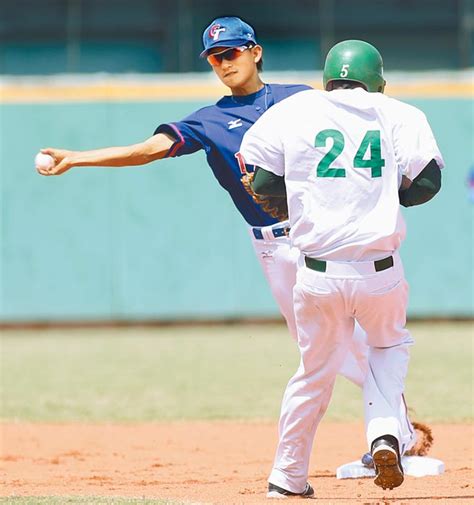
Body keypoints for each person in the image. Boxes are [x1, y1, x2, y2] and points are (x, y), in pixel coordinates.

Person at [36, 17, 421, 485]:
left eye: (232, 52)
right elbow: (147, 149)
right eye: (216, 57)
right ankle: (393, 434)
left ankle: (389, 438)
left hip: (323, 233)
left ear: (255, 52)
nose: (224, 63)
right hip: (276, 248)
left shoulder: (301, 99)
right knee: (338, 352)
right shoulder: (209, 120)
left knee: (345, 350)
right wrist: (79, 157)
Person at [240, 39, 444, 498]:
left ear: (328, 77)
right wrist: (380, 193)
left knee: (313, 374)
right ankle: (385, 435)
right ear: (378, 80)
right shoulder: (399, 114)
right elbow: (429, 182)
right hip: (379, 271)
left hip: (315, 273)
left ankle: (287, 478)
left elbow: (267, 180)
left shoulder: (296, 110)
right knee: (388, 349)